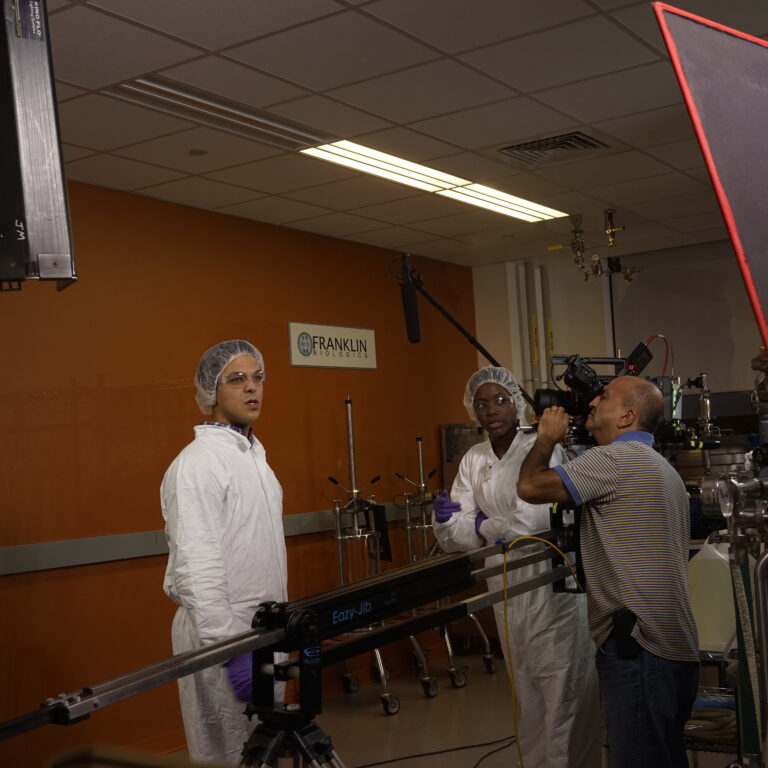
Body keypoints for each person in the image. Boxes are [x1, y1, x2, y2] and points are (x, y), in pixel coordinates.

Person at [517, 376, 699, 768]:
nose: (592, 402)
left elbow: (530, 486)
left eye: (604, 396)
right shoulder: (663, 468)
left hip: (639, 646)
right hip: (673, 648)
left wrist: (546, 437)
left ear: (627, 416)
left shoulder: (615, 459)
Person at [432, 366, 601, 768]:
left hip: (549, 583)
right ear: (472, 411)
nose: (492, 410)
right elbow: (458, 536)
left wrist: (482, 524)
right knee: (525, 690)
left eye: (500, 400)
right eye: (482, 404)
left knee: (563, 688)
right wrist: (445, 521)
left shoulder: (542, 447)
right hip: (504, 587)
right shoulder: (474, 458)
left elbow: (534, 522)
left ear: (516, 403)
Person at [161, 340, 288, 765]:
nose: (251, 387)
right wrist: (229, 650)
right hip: (223, 638)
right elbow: (197, 569)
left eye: (257, 377)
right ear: (211, 391)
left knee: (266, 748)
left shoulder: (255, 459)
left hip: (266, 632)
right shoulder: (197, 464)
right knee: (229, 754)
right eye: (236, 379)